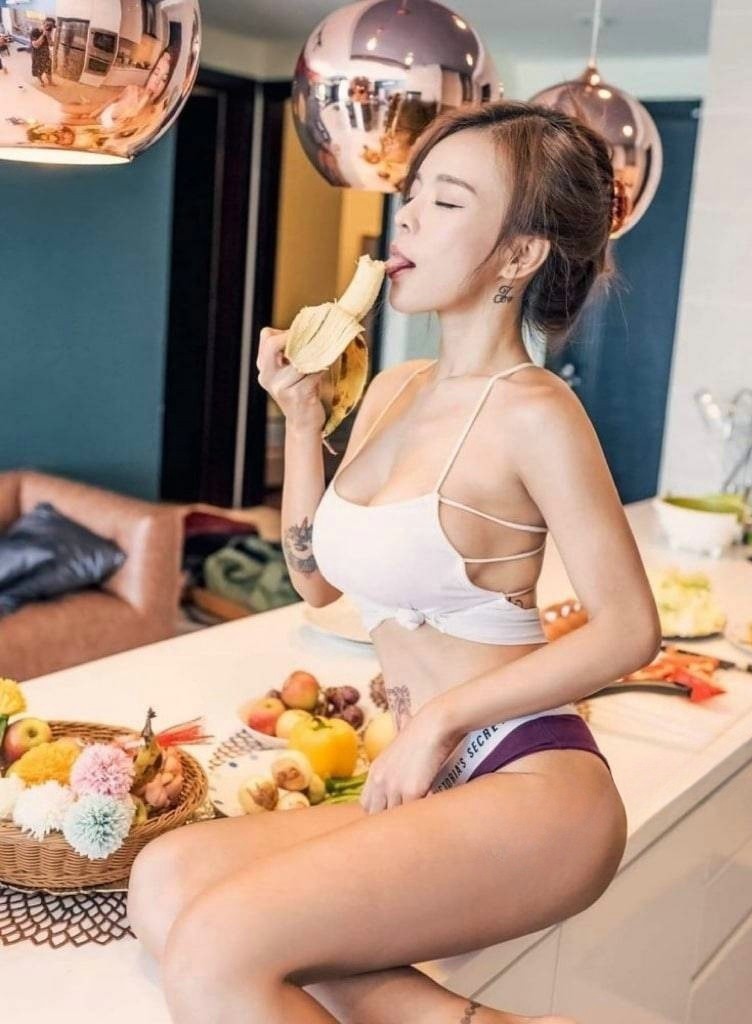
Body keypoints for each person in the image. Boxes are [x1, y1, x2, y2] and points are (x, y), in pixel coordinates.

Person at [127, 100, 661, 1024]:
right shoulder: (394, 387)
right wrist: (301, 420)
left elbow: (629, 630)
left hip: (526, 778)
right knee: (164, 882)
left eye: (445, 201)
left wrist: (436, 722)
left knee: (218, 950)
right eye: (411, 194)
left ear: (520, 253)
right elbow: (315, 579)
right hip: (432, 783)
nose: (405, 216)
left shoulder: (534, 411)